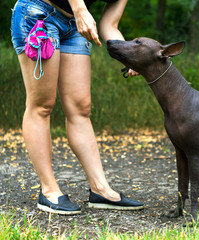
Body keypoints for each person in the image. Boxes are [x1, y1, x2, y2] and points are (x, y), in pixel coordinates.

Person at [10, 0, 142, 214]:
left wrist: (129, 57)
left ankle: (100, 188)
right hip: (38, 13)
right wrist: (80, 9)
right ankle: (49, 190)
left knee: (80, 108)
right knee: (42, 105)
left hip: (73, 25)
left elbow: (110, 25)